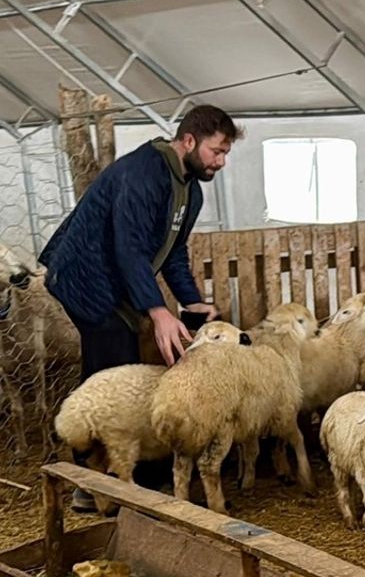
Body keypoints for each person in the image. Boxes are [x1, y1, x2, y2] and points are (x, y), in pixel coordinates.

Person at [38, 104, 242, 510]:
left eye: (224, 154)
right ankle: (93, 479)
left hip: (116, 280)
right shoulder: (141, 174)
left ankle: (132, 473)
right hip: (84, 277)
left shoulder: (190, 190)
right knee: (112, 366)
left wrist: (190, 301)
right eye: (216, 151)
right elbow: (127, 247)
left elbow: (173, 252)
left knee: (127, 360)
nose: (220, 162)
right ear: (189, 140)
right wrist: (156, 309)